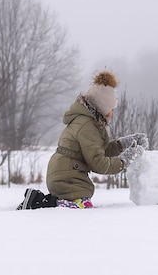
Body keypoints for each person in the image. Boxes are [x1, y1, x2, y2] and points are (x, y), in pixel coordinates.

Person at [16, 69, 147, 210]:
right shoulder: (87, 126)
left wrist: (124, 144)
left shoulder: (89, 122)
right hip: (67, 176)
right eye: (111, 108)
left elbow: (99, 150)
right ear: (102, 108)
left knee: (82, 200)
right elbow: (98, 163)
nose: (112, 113)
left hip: (65, 172)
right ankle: (39, 202)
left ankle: (44, 202)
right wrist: (126, 159)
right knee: (81, 205)